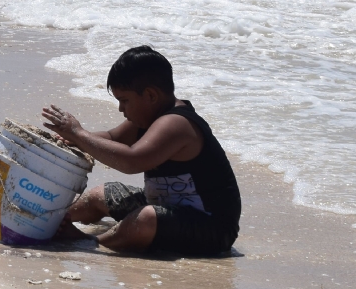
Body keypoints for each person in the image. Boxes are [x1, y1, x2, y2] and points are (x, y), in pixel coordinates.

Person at [42, 46, 241, 256]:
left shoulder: (177, 124)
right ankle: (51, 219)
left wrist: (79, 134)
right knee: (100, 194)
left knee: (146, 219)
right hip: (161, 205)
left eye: (124, 100)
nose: (121, 109)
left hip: (211, 228)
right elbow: (111, 138)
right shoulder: (146, 119)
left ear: (151, 95)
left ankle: (89, 240)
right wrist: (73, 139)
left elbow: (132, 161)